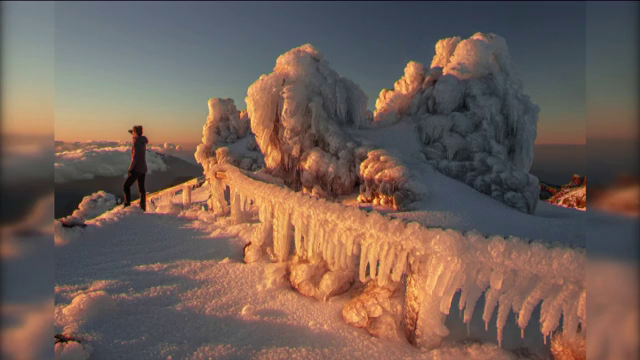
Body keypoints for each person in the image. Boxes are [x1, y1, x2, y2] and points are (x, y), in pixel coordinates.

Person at [123, 125, 148, 211]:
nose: (132, 135)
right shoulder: (142, 141)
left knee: (125, 186)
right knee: (141, 189)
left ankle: (127, 205)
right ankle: (143, 207)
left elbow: (135, 158)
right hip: (143, 168)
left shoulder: (136, 143)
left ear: (136, 133)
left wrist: (131, 169)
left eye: (133, 133)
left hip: (137, 168)